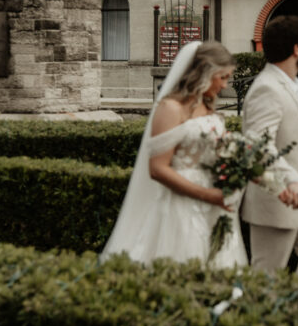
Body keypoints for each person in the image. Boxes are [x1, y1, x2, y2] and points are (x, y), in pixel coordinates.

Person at [101, 40, 247, 268]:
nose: (225, 85)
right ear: (205, 72)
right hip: (182, 202)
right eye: (223, 77)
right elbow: (158, 169)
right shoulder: (170, 108)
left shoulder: (208, 107)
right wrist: (206, 195)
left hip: (215, 201)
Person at [241, 15, 298, 277]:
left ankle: (296, 315)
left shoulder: (292, 86)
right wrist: (290, 179)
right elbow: (256, 146)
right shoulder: (267, 88)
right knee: (266, 275)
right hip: (278, 195)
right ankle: (259, 317)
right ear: (296, 49)